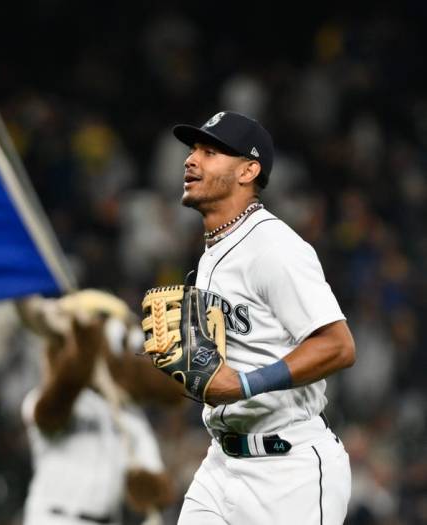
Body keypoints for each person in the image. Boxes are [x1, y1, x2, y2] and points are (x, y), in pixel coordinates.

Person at [164, 110, 356, 524]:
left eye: (210, 152)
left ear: (248, 170)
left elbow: (338, 346)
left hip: (290, 473)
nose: (190, 160)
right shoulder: (213, 252)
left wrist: (246, 383)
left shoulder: (274, 246)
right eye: (193, 149)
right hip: (222, 463)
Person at [17, 292, 182, 525]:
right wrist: (84, 346)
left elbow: (153, 481)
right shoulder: (45, 398)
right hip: (54, 518)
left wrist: (149, 487)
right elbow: (52, 411)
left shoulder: (128, 415)